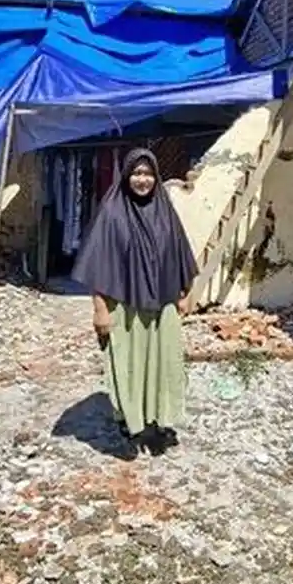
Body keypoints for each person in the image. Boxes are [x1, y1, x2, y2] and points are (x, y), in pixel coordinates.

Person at [71, 148, 199, 456]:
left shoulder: (165, 211)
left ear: (155, 176)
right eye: (136, 173)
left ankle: (159, 419)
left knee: (163, 362)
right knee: (130, 363)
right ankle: (131, 420)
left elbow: (180, 251)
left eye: (147, 173)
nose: (142, 180)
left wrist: (187, 291)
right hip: (125, 306)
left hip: (163, 305)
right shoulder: (112, 213)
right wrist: (100, 310)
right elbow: (98, 264)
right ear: (126, 176)